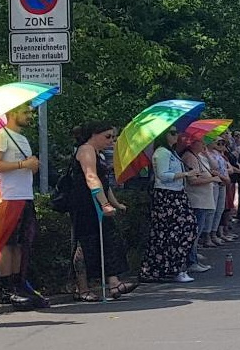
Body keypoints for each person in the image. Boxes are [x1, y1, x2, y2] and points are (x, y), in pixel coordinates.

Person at [0, 104, 48, 309]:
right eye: (26, 112)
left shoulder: (22, 139)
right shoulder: (0, 136)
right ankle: (6, 288)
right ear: (12, 113)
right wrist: (22, 165)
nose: (30, 116)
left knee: (21, 243)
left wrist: (32, 165)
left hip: (25, 195)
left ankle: (18, 284)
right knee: (6, 243)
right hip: (8, 196)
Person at [71, 121, 137, 301]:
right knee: (85, 245)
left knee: (109, 240)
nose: (111, 141)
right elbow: (91, 177)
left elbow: (104, 183)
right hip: (86, 205)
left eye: (113, 137)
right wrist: (104, 204)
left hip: (97, 201)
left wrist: (115, 203)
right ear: (94, 134)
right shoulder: (86, 150)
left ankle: (114, 283)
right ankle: (82, 288)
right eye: (107, 136)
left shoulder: (97, 153)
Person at [139, 127, 198, 283]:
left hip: (177, 193)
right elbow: (163, 175)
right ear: (163, 135)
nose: (176, 135)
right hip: (167, 196)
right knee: (172, 233)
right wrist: (186, 174)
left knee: (183, 229)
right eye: (172, 133)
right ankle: (172, 268)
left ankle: (175, 267)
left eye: (176, 132)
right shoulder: (162, 153)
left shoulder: (171, 152)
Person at [181, 136, 219, 272]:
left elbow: (213, 167)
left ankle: (194, 257)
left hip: (203, 199)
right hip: (196, 199)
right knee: (194, 231)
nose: (204, 144)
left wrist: (207, 153)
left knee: (197, 230)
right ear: (193, 143)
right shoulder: (190, 157)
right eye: (201, 142)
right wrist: (211, 179)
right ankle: (191, 261)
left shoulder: (198, 156)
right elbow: (193, 180)